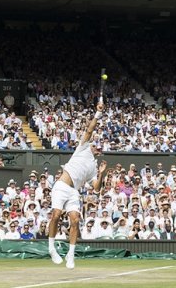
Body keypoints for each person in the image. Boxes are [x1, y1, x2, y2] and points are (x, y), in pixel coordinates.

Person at [48, 101, 107, 269]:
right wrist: (98, 114)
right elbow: (89, 130)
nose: (97, 147)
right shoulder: (83, 147)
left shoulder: (94, 167)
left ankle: (71, 255)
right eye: (96, 144)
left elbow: (96, 188)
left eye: (99, 147)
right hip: (61, 186)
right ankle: (52, 248)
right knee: (56, 214)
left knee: (75, 221)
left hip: (74, 192)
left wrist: (102, 174)